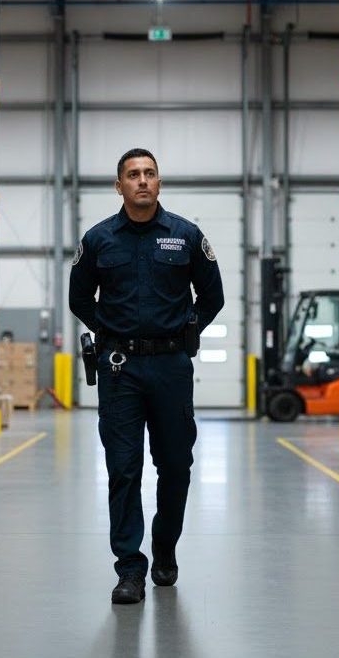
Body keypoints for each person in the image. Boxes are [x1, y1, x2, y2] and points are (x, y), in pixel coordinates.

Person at [69, 148, 225, 605]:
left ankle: (164, 548)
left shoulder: (185, 236)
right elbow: (80, 300)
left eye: (150, 174)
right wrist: (110, 333)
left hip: (172, 368)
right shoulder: (98, 240)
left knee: (176, 466)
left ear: (159, 183)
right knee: (123, 469)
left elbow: (212, 296)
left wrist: (187, 329)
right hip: (120, 370)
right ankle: (130, 569)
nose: (142, 181)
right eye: (133, 175)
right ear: (119, 186)